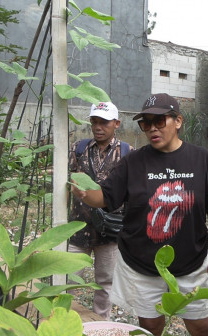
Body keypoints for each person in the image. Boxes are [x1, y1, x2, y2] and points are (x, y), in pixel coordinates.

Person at [71, 93, 208, 336]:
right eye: (146, 123)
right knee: (151, 327)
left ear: (178, 121)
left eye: (159, 121)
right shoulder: (133, 161)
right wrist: (85, 193)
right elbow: (105, 197)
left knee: (201, 326)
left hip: (191, 263)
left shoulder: (201, 158)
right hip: (142, 264)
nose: (152, 128)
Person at [68, 101, 133, 320]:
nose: (98, 127)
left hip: (110, 232)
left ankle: (101, 324)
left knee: (105, 283)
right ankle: (63, 321)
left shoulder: (127, 153)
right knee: (66, 279)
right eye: (94, 121)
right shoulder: (78, 149)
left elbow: (133, 191)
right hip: (78, 228)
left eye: (104, 122)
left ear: (116, 123)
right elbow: (65, 182)